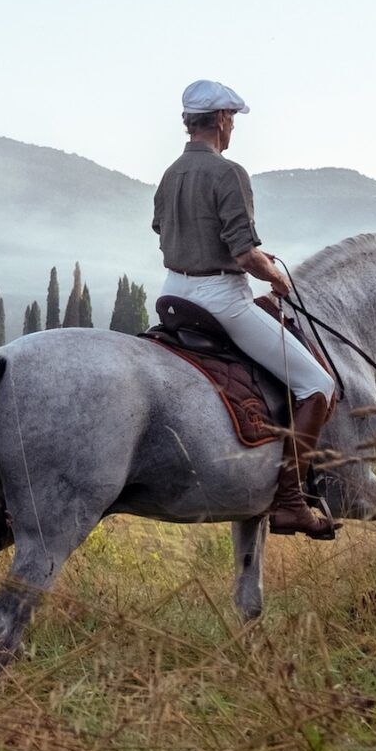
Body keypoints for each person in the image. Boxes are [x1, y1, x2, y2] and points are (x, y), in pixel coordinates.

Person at [151, 79, 337, 538]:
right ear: (219, 120)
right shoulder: (228, 172)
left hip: (174, 295)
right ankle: (291, 501)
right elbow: (243, 254)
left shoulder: (170, 173)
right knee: (318, 384)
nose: (232, 126)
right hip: (221, 302)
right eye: (231, 118)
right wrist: (277, 276)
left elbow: (161, 229)